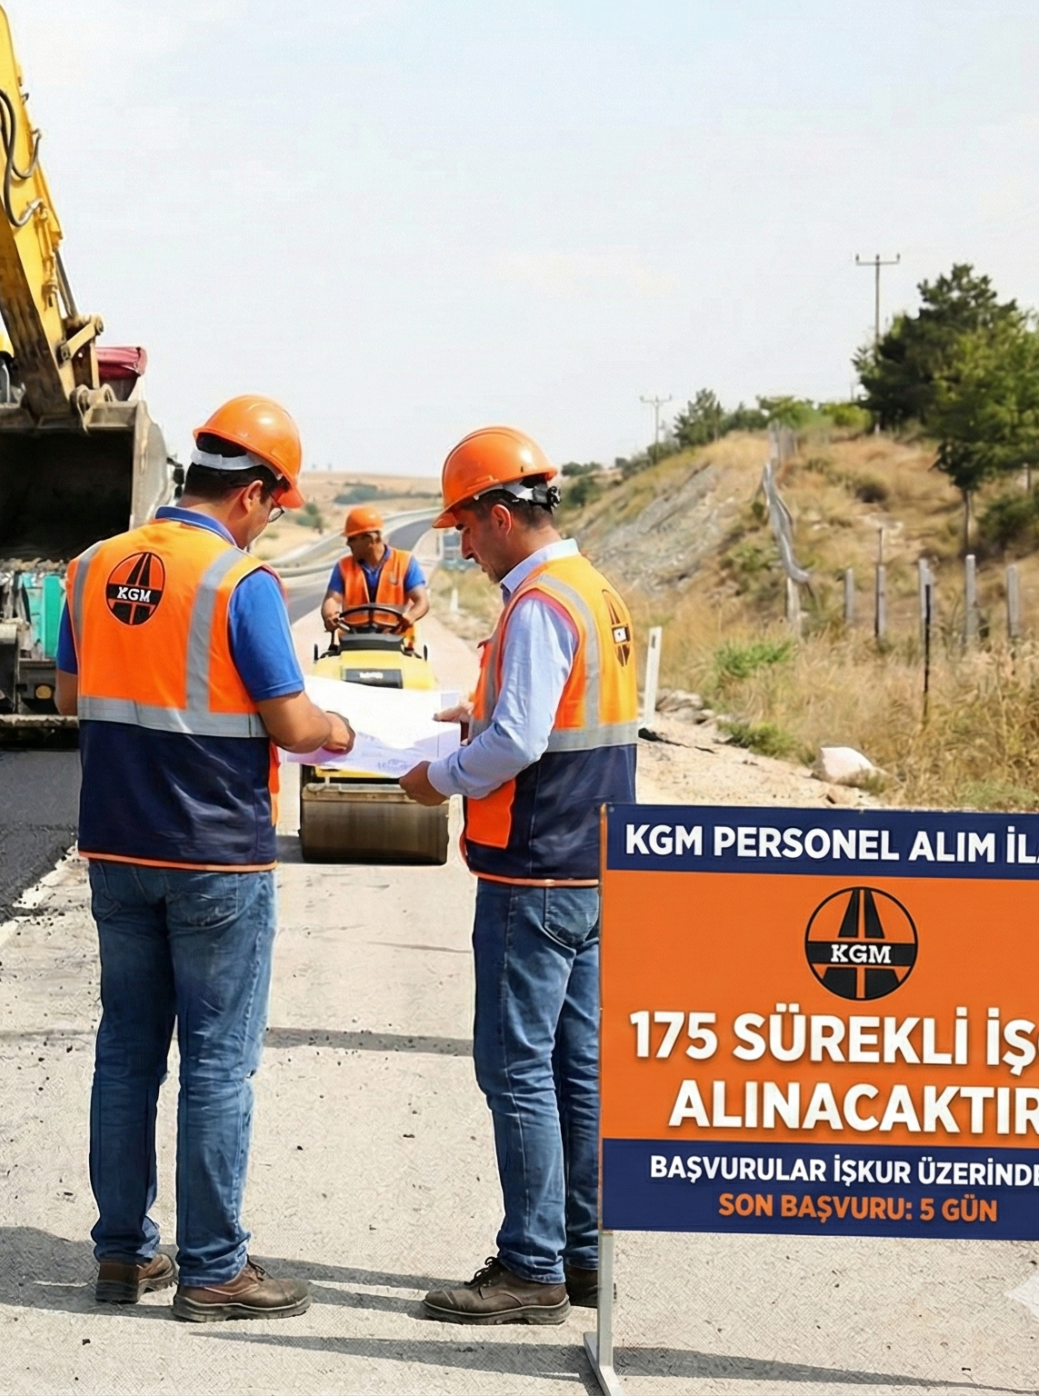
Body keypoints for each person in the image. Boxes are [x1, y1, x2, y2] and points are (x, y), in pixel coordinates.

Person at [54, 394, 358, 1323]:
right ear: (256, 493)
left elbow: (73, 698)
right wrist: (344, 732)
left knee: (126, 1055)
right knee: (219, 1065)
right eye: (274, 503)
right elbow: (294, 723)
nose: (270, 519)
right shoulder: (240, 584)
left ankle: (122, 1257)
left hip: (117, 845)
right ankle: (216, 1269)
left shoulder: (92, 567)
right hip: (217, 858)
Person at [397, 425, 639, 1326]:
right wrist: (482, 707)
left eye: (468, 525)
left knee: (517, 1071)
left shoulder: (539, 603)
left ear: (503, 515)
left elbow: (523, 742)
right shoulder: (597, 593)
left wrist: (440, 778)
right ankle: (581, 1256)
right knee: (576, 1070)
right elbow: (561, 712)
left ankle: (530, 1266)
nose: (463, 543)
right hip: (593, 868)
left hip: (534, 870)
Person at [318, 505, 430, 641]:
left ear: (369, 540)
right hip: (352, 641)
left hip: (395, 640)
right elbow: (332, 598)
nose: (348, 544)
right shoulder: (343, 566)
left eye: (352, 539)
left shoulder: (405, 562)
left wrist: (411, 616)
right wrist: (330, 615)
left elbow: (422, 601)